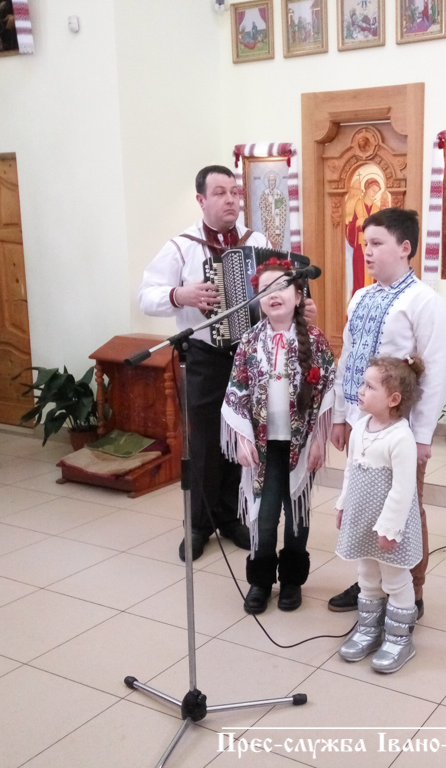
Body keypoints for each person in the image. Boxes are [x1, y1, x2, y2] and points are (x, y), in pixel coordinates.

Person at [138, 165, 315, 562]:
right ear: (201, 200)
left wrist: (300, 303)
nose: (231, 200)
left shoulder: (258, 241)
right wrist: (180, 295)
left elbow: (283, 288)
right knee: (203, 441)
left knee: (244, 437)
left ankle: (233, 516)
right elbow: (145, 295)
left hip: (252, 356)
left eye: (234, 192)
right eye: (220, 193)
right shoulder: (182, 247)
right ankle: (199, 524)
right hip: (204, 357)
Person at [327, 208, 446, 619]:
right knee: (364, 502)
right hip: (362, 424)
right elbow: (348, 360)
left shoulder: (424, 301)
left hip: (400, 431)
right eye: (365, 244)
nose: (368, 251)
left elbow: (436, 371)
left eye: (377, 243)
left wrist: (422, 436)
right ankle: (371, 584)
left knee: (404, 507)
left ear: (404, 247)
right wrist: (342, 416)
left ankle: (411, 592)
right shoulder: (361, 297)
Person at [221, 259, 335, 614]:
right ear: (257, 299)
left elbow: (327, 394)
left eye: (281, 287)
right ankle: (260, 580)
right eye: (265, 289)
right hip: (262, 446)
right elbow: (237, 391)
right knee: (265, 515)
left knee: (297, 515)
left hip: (300, 443)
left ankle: (291, 581)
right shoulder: (249, 341)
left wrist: (318, 441)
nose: (274, 295)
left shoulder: (315, 341)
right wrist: (242, 439)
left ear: (298, 296)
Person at [335, 356, 425, 673]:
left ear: (393, 399)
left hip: (389, 528)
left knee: (396, 579)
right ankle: (369, 630)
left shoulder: (400, 438)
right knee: (367, 575)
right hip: (363, 519)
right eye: (363, 384)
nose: (361, 390)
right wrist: (343, 505)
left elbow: (403, 490)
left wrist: (389, 529)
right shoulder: (360, 427)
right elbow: (350, 472)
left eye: (370, 386)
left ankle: (400, 639)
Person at [345, 177, 383, 297]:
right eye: (373, 190)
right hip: (359, 248)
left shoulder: (377, 209)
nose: (374, 194)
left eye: (376, 192)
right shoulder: (357, 205)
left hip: (374, 250)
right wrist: (356, 224)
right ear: (366, 189)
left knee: (374, 278)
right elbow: (348, 226)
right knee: (359, 277)